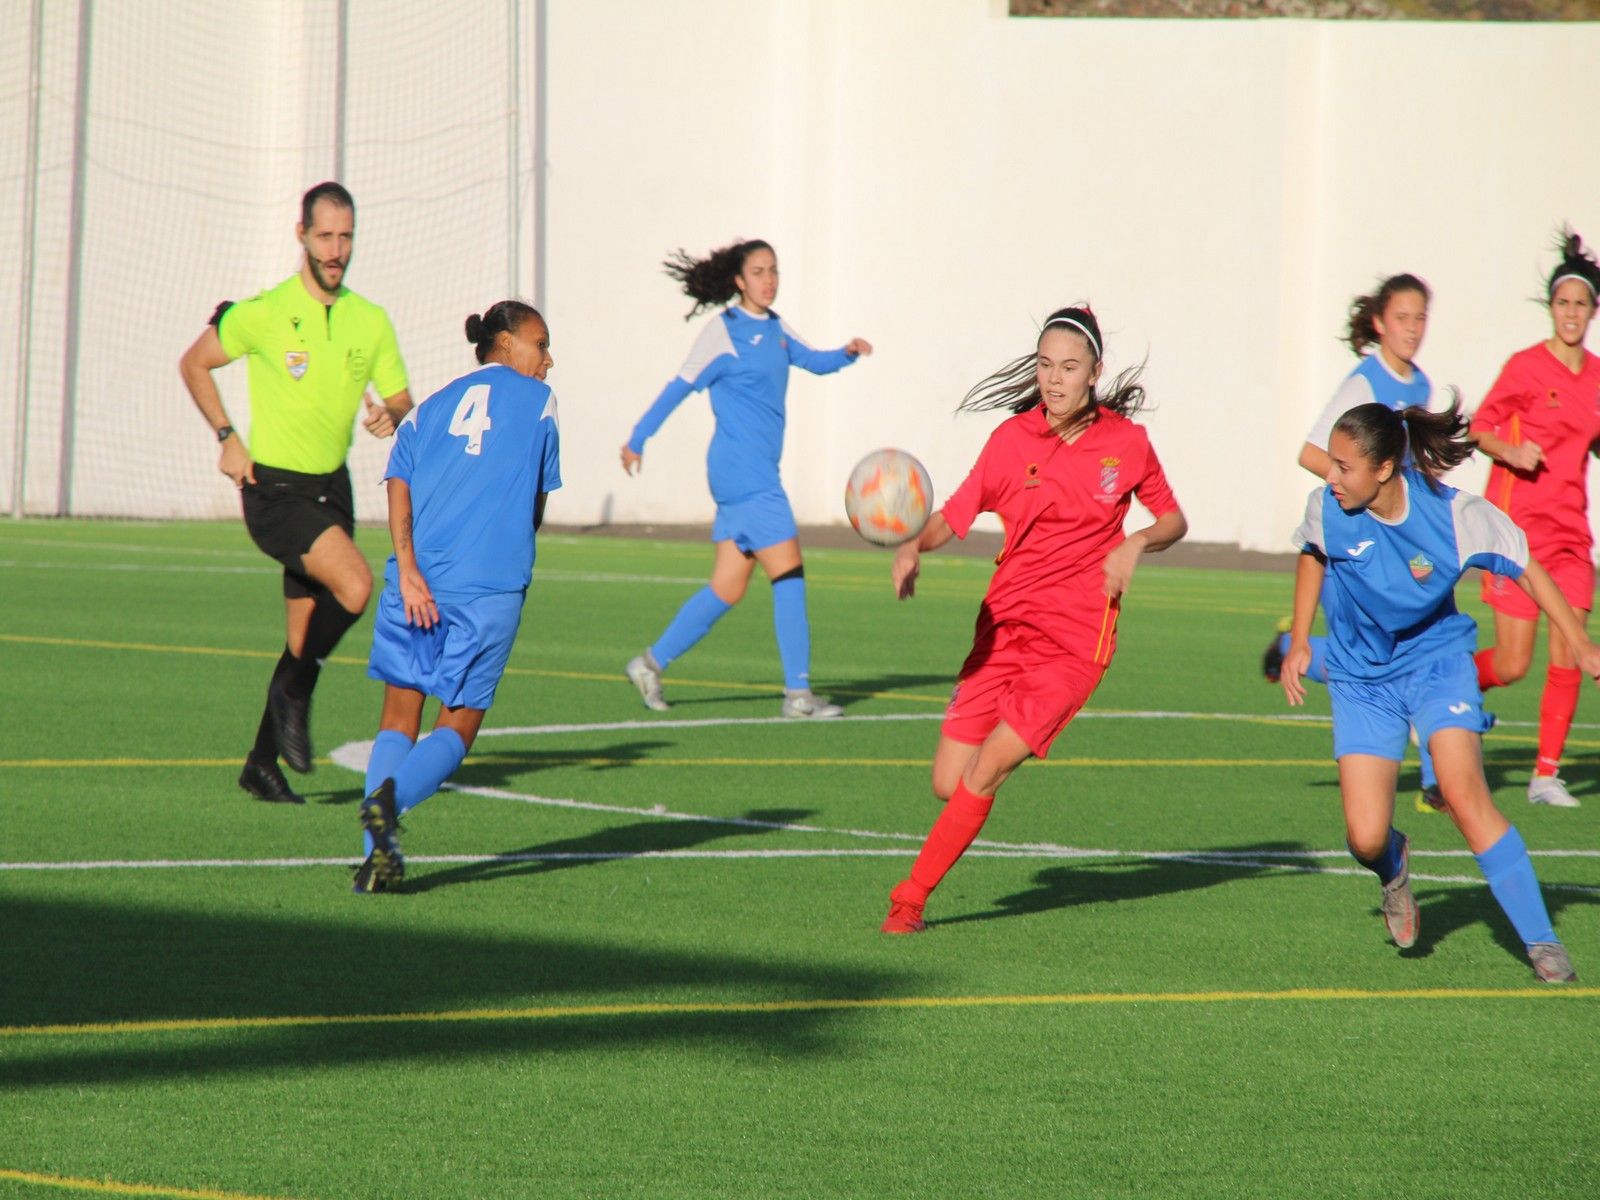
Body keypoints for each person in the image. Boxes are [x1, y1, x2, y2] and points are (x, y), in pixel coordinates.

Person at [880, 305, 1187, 934]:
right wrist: (915, 544)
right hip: (1003, 627)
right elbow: (956, 513)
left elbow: (1173, 519)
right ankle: (963, 816)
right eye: (1045, 365)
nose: (1054, 379)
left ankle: (908, 900)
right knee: (949, 782)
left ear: (1095, 372)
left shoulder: (1127, 446)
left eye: (1069, 367)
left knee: (986, 767)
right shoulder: (1010, 441)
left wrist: (1135, 543)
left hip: (1074, 643)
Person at [1280, 400, 1591, 983]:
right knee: (1365, 836)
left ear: (1383, 469)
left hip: (1437, 663)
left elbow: (1526, 565)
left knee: (1464, 793)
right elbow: (1311, 556)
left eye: (1344, 466)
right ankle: (1393, 865)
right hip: (1360, 678)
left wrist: (1580, 642)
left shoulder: (1453, 515)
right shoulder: (1329, 507)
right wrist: (1299, 639)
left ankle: (1543, 944)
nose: (1330, 474)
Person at [179, 181, 411, 805]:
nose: (336, 250)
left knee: (303, 638)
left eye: (346, 237)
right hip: (273, 491)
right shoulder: (265, 310)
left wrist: (392, 414)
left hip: (332, 490)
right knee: (358, 587)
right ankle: (297, 690)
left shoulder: (371, 320)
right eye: (325, 236)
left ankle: (260, 763)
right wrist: (227, 436)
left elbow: (400, 400)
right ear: (301, 235)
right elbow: (193, 363)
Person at [354, 301, 560, 893]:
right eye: (540, 344)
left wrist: (410, 568)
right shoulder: (540, 402)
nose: (548, 359)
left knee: (398, 715)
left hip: (415, 581)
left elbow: (398, 479)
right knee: (459, 725)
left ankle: (376, 859)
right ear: (504, 343)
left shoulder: (430, 407)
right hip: (487, 587)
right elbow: (536, 507)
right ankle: (388, 807)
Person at [619, 238, 872, 718]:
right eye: (758, 271)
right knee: (790, 572)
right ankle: (798, 695)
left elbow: (813, 360)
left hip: (746, 475)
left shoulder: (775, 328)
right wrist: (638, 437)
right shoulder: (724, 331)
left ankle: (649, 663)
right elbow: (680, 386)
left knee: (727, 587)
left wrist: (847, 352)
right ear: (738, 280)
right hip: (745, 474)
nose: (769, 280)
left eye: (774, 270)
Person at [1262, 274, 1445, 807]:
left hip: (1398, 534)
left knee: (1418, 639)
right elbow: (1311, 453)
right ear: (1380, 323)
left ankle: (1436, 778)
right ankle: (1437, 775)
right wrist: (1367, 489)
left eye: (1420, 319)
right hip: (1356, 536)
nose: (1412, 329)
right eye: (1402, 318)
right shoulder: (1363, 384)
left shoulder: (1420, 386)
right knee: (1387, 648)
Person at [1466, 230, 1600, 809]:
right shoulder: (1524, 368)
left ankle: (1546, 775)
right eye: (1563, 302)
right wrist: (1512, 452)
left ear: (1594, 311)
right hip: (1518, 535)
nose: (1571, 313)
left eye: (1582, 303)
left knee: (1569, 650)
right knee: (1515, 662)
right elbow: (1476, 430)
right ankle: (1444, 692)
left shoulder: (1597, 377)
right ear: (1552, 308)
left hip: (1571, 535)